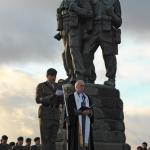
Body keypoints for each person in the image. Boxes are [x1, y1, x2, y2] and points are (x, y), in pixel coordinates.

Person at [83, 0, 122, 87]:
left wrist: (111, 13)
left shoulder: (114, 1)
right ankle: (88, 77)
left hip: (107, 31)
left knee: (109, 55)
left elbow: (118, 22)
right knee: (86, 53)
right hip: (92, 30)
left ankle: (111, 79)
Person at [36, 68, 63, 150]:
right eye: (51, 76)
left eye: (54, 76)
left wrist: (62, 96)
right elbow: (38, 99)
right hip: (45, 114)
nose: (53, 78)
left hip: (55, 114)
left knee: (53, 139)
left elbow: (62, 100)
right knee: (46, 139)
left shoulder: (59, 86)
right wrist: (52, 96)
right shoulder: (41, 86)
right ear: (47, 76)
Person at [66, 80, 94, 150]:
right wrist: (81, 112)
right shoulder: (71, 97)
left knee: (87, 142)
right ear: (76, 86)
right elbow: (70, 111)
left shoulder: (87, 98)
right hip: (76, 124)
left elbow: (92, 110)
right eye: (81, 85)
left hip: (86, 122)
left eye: (83, 86)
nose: (83, 87)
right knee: (77, 143)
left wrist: (90, 112)